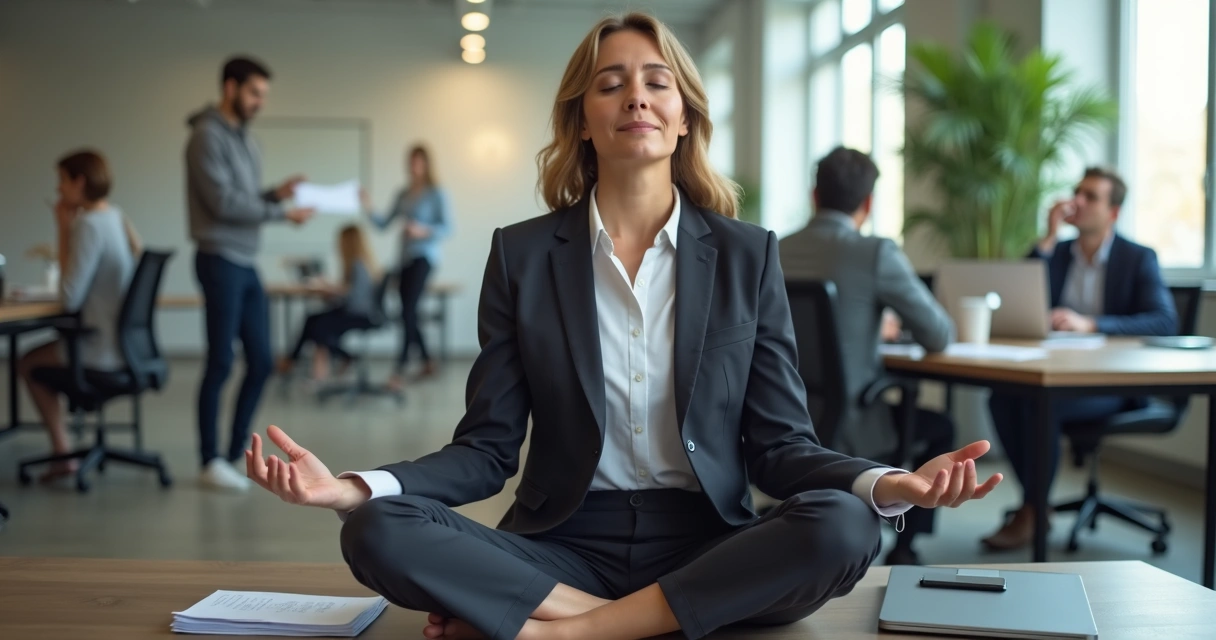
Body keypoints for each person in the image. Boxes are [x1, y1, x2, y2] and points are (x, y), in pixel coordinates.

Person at [248, 14, 1001, 640]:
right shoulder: (523, 255)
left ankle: (568, 630)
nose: (635, 97)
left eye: (656, 82)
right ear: (583, 120)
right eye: (610, 84)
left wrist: (890, 483)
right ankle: (646, 619)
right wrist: (351, 487)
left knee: (849, 524)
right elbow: (486, 452)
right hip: (562, 544)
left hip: (708, 541)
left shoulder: (748, 256)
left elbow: (781, 449)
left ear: (683, 117)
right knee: (375, 529)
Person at [779, 146, 957, 566]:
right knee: (941, 430)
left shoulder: (772, 248)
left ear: (814, 196)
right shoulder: (875, 252)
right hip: (852, 427)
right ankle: (906, 546)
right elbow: (938, 334)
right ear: (869, 203)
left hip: (782, 422)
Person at [982, 167, 1177, 550]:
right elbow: (1019, 289)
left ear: (1114, 212)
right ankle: (1037, 506)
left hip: (1110, 385)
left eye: (1091, 197)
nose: (1079, 202)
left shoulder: (1137, 258)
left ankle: (1033, 510)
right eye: (1077, 193)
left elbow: (1164, 320)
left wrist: (1091, 323)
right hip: (1055, 371)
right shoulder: (1058, 256)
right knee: (1002, 397)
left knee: (1042, 408)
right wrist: (1049, 236)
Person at [185, 55, 314, 492]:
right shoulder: (206, 136)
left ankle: (229, 453)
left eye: (263, 95)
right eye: (254, 93)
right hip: (219, 258)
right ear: (230, 88)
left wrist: (274, 194)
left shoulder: (244, 140)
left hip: (244, 261)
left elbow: (243, 198)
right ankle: (208, 461)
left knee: (261, 361)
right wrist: (280, 211)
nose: (260, 102)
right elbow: (222, 204)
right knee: (220, 361)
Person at [18, 150, 137, 481]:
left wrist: (62, 227)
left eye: (61, 182)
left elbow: (69, 298)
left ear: (78, 182)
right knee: (36, 358)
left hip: (97, 347)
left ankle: (62, 452)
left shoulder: (88, 224)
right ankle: (63, 450)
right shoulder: (115, 217)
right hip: (126, 346)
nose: (58, 191)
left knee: (26, 364)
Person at [361, 144, 451, 390]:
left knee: (408, 309)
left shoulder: (436, 193)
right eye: (410, 161)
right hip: (404, 259)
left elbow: (448, 228)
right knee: (406, 311)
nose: (413, 166)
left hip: (424, 257)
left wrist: (422, 230)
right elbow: (383, 224)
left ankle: (399, 369)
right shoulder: (403, 194)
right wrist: (368, 206)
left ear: (426, 164)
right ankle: (427, 360)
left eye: (418, 161)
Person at [276, 225, 380, 382]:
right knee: (313, 320)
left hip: (359, 314)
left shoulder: (358, 265)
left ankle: (299, 362)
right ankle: (300, 363)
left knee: (318, 326)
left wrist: (331, 289)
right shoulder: (361, 263)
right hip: (354, 311)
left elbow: (354, 298)